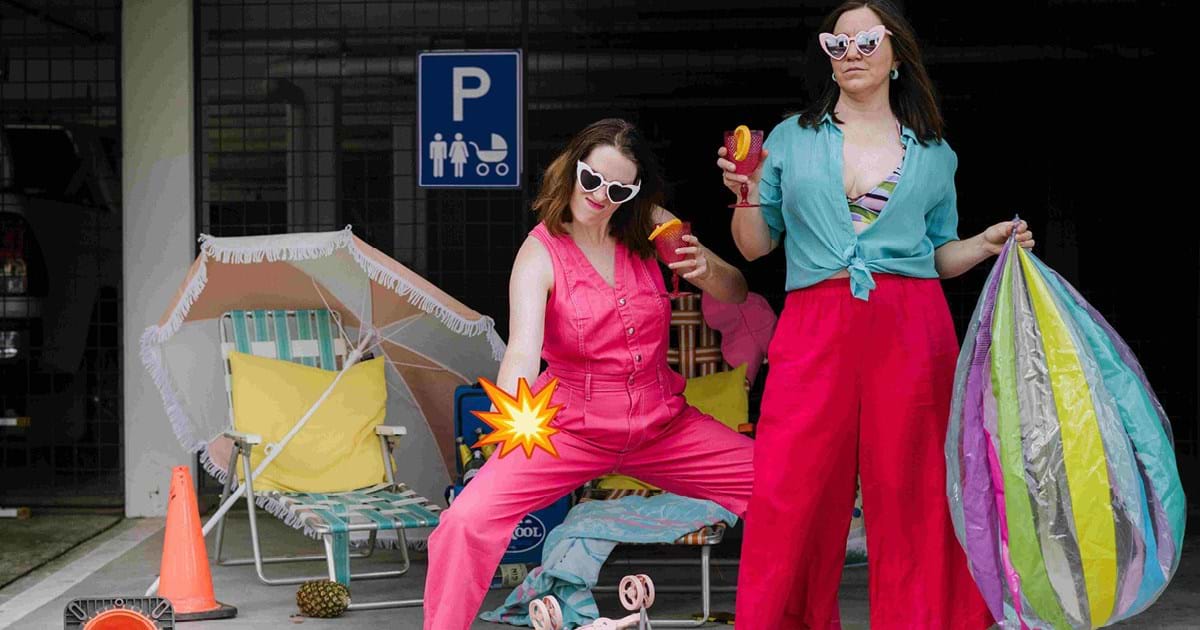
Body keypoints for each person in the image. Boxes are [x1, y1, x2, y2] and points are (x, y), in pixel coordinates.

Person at [718, 1, 1034, 627]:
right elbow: (755, 248)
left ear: (896, 55)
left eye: (866, 41)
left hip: (911, 326)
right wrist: (746, 194)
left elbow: (937, 254)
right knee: (790, 489)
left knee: (917, 490)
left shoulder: (936, 154)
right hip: (813, 324)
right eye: (837, 44)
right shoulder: (789, 138)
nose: (851, 54)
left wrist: (984, 244)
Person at [424, 118, 755, 630]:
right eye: (592, 179)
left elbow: (736, 291)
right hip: (568, 429)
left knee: (778, 484)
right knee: (464, 521)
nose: (601, 196)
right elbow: (522, 352)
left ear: (634, 193)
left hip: (663, 427)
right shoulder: (539, 252)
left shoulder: (652, 226)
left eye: (618, 189)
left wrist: (706, 269)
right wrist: (505, 431)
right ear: (572, 167)